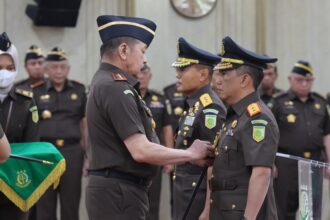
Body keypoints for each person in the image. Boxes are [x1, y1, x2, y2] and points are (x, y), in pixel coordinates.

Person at [85, 15, 213, 220]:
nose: (145, 59)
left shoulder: (108, 83)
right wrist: (190, 153)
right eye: (143, 51)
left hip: (119, 191)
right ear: (124, 50)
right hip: (119, 194)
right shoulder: (114, 87)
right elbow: (141, 150)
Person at [207, 36, 279, 220]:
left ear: (244, 80)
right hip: (225, 211)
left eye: (225, 74)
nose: (218, 81)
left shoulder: (258, 117)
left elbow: (261, 173)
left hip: (242, 214)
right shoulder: (236, 116)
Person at [170, 37, 226, 220]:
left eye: (183, 69)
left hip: (198, 195)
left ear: (203, 75)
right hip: (185, 191)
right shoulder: (194, 104)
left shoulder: (210, 108)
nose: (177, 74)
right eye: (177, 68)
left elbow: (215, 163)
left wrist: (208, 210)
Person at [271, 60, 330, 220]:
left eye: (308, 80)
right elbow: (270, 135)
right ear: (290, 79)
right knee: (283, 211)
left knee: (311, 212)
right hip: (286, 165)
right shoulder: (278, 102)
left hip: (314, 163)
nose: (304, 84)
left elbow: (327, 135)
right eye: (299, 80)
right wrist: (270, 162)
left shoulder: (320, 103)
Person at [34, 47, 87, 220]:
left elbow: (85, 124)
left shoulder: (79, 91)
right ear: (46, 70)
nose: (58, 71)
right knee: (45, 205)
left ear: (68, 69)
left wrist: (87, 155)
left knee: (71, 204)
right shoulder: (36, 91)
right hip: (44, 154)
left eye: (62, 67)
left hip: (72, 153)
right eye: (54, 67)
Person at [0, 32, 39, 219]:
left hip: (14, 186)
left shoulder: (25, 101)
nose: (4, 73)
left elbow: (31, 146)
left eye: (10, 67)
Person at [137, 64, 173, 220]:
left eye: (144, 72)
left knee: (153, 201)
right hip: (132, 157)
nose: (141, 76)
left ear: (150, 76)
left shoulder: (160, 99)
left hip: (154, 158)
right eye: (138, 73)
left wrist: (169, 159)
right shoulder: (127, 97)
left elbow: (167, 129)